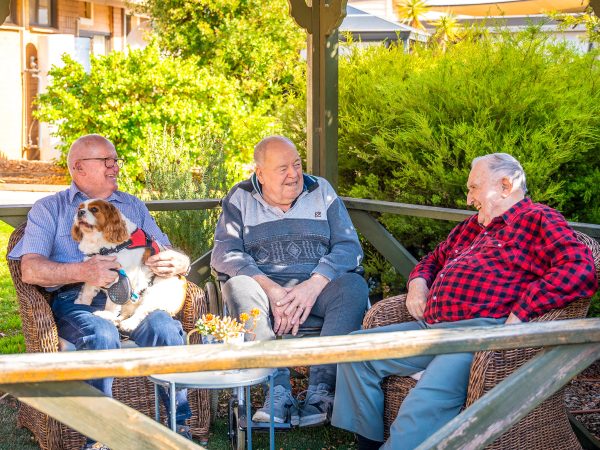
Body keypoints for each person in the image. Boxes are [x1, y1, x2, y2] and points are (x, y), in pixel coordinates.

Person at [331, 153, 598, 450]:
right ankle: (366, 444)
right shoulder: (474, 226)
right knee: (354, 352)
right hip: (431, 328)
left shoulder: (538, 218)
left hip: (476, 335)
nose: (469, 199)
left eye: (474, 188)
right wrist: (418, 284)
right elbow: (433, 260)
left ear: (506, 185)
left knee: (424, 403)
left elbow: (579, 268)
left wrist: (522, 311)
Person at [8, 134, 193, 450]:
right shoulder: (49, 209)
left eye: (115, 159)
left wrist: (179, 261)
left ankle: (178, 427)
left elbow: (167, 249)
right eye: (106, 160)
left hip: (136, 296)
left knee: (165, 328)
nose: (115, 166)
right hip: (77, 298)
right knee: (101, 333)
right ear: (79, 168)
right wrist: (83, 270)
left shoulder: (132, 204)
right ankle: (102, 438)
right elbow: (31, 269)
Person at [211, 135, 369, 427]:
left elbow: (349, 248)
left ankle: (321, 391)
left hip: (317, 290)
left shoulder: (321, 190)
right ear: (260, 173)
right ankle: (278, 390)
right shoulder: (240, 197)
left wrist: (313, 284)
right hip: (264, 293)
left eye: (297, 164)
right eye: (283, 168)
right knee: (238, 287)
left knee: (353, 287)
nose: (294, 174)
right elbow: (224, 253)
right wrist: (271, 289)